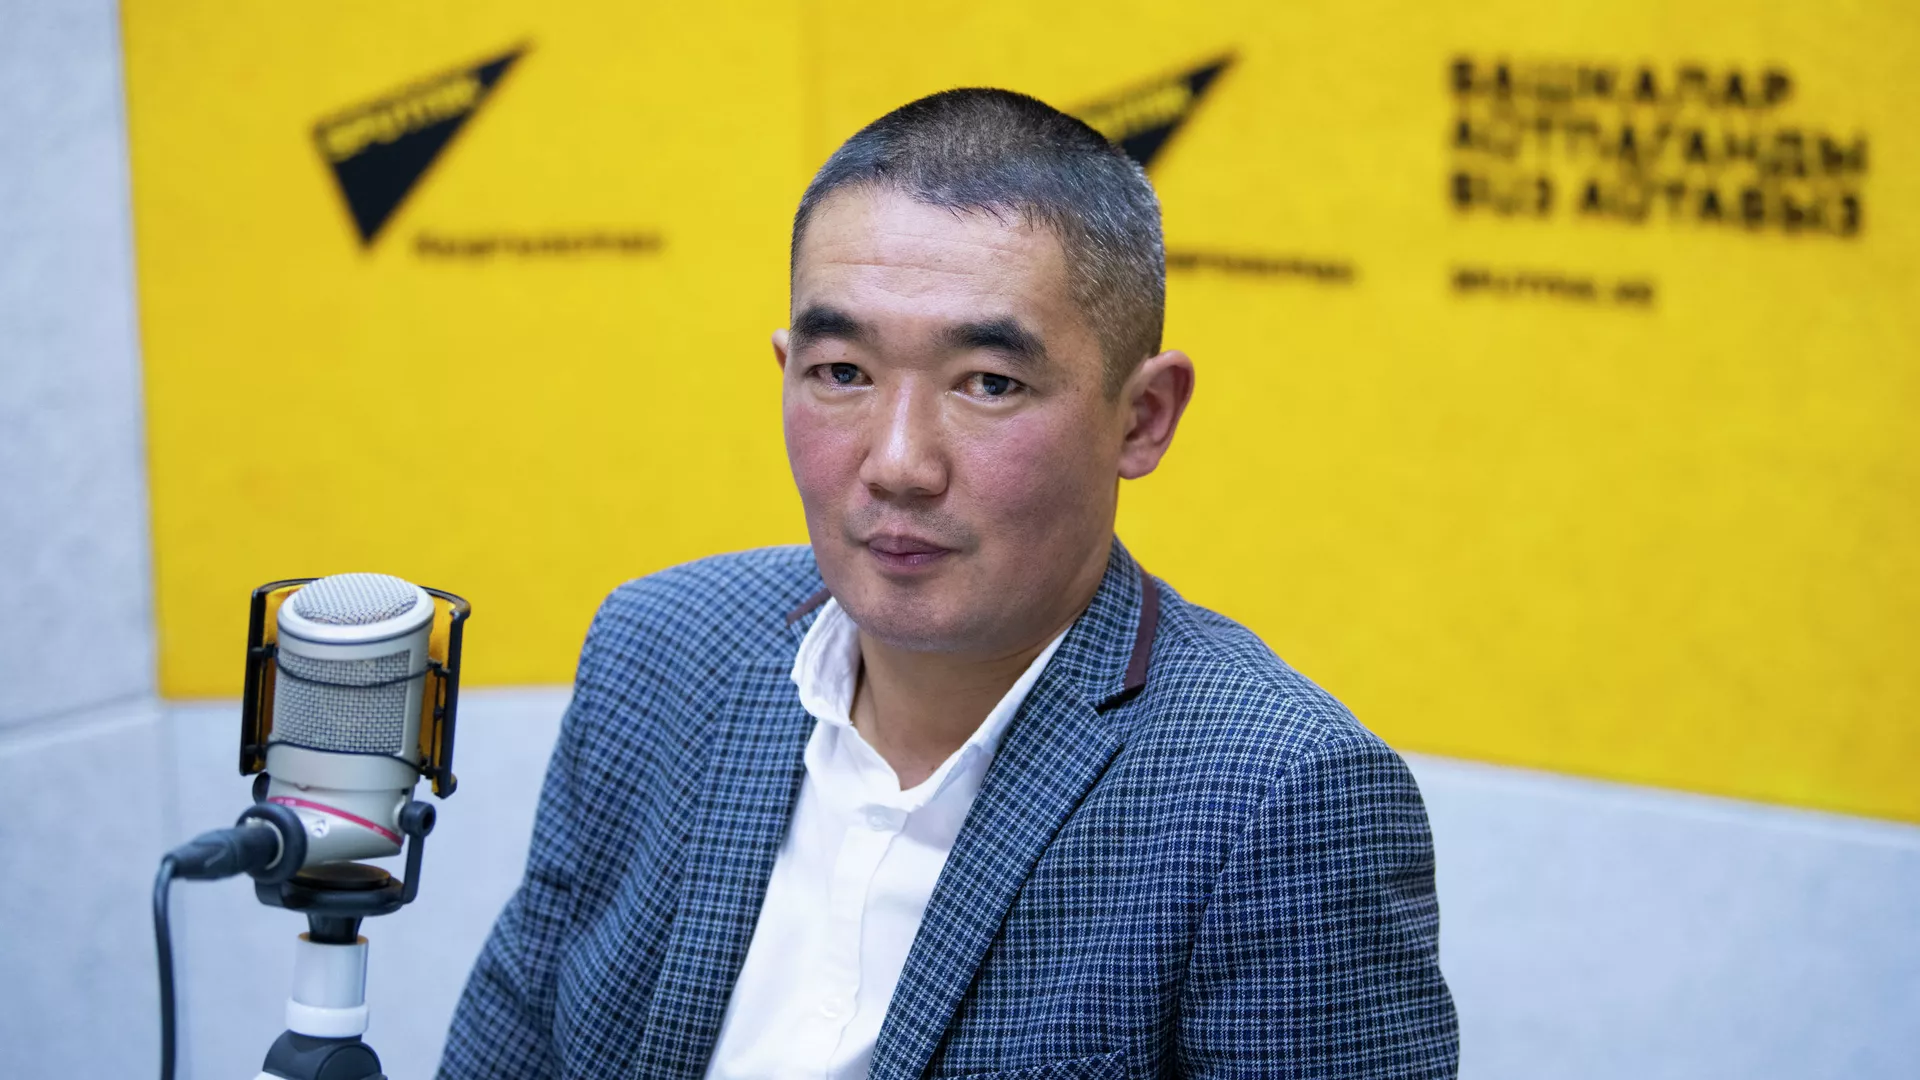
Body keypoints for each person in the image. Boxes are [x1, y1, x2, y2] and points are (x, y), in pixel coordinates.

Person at [440, 88, 1456, 1080]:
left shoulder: (1279, 797)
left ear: (1142, 418)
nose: (897, 463)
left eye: (989, 384)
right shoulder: (661, 651)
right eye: (842, 372)